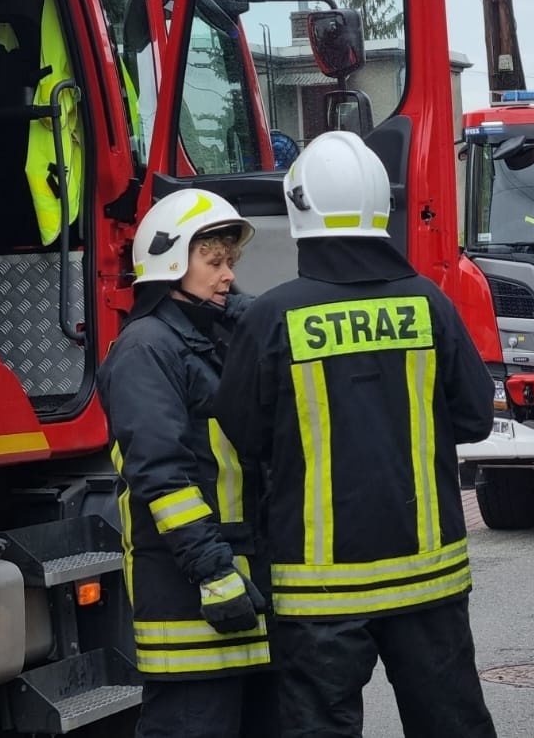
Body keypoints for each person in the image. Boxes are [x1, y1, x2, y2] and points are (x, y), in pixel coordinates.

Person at [213, 130, 498, 738]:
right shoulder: (429, 303)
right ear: (381, 207)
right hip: (429, 580)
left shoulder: (271, 316)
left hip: (319, 593)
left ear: (299, 209)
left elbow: (243, 435)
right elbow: (475, 417)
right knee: (452, 725)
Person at [96, 188, 275, 738]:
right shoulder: (146, 349)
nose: (227, 276)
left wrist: (253, 319)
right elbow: (162, 475)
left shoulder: (212, 338)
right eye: (214, 262)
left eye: (231, 263)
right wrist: (213, 571)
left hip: (238, 578)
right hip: (188, 588)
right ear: (171, 262)